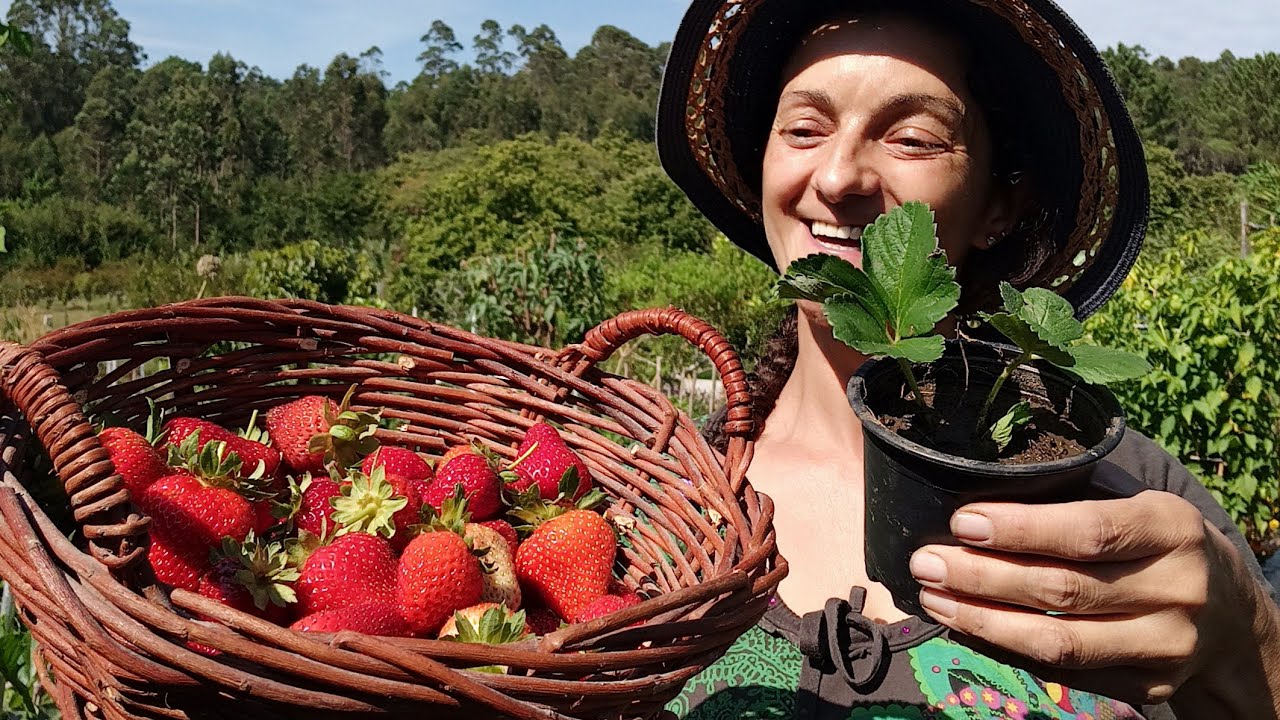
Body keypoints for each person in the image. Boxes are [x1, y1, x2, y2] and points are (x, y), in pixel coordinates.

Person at [654, 0, 1280, 717]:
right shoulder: (663, 496)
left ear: (998, 208)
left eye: (914, 139)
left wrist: (1245, 647)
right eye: (803, 128)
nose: (837, 177)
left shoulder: (1130, 500)